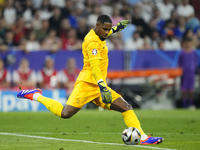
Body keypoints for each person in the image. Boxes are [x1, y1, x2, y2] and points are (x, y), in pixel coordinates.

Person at [17, 15, 164, 145]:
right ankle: (35, 95)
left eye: (108, 29)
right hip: (88, 83)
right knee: (65, 113)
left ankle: (143, 137)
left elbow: (107, 32)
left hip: (99, 86)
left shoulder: (100, 34)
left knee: (126, 107)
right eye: (105, 29)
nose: (107, 32)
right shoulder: (93, 43)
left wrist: (117, 28)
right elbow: (94, 67)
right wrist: (102, 85)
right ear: (97, 26)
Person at [178, 37, 197, 108]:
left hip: (191, 72)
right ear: (184, 43)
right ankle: (184, 105)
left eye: (189, 42)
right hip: (184, 73)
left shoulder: (193, 53)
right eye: (186, 42)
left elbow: (195, 62)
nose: (188, 44)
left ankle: (190, 104)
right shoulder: (182, 53)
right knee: (184, 89)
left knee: (191, 90)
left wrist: (193, 68)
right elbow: (179, 63)